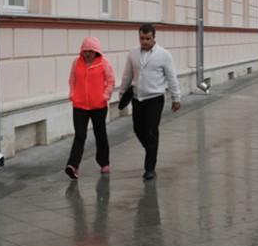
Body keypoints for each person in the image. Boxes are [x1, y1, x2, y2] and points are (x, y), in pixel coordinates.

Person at [118, 24, 181, 180]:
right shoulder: (133, 54)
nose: (144, 41)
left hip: (155, 98)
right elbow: (127, 75)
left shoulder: (164, 55)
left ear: (154, 38)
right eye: (142, 38)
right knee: (138, 129)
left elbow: (171, 77)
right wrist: (121, 94)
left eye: (147, 38)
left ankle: (150, 168)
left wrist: (176, 97)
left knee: (151, 130)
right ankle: (151, 150)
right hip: (137, 98)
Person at [65, 37, 115, 179]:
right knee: (80, 136)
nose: (87, 54)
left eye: (91, 51)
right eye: (85, 51)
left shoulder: (103, 63)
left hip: (98, 106)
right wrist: (73, 94)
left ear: (96, 51)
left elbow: (110, 80)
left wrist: (105, 96)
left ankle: (104, 162)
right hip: (80, 105)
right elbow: (72, 80)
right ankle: (73, 166)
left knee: (100, 135)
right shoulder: (77, 63)